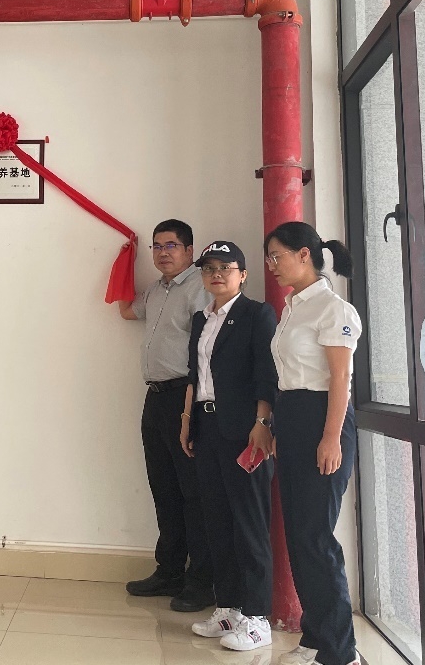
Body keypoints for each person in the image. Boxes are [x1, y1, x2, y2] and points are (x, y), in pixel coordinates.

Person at [264, 221, 363, 665]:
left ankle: (340, 651)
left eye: (278, 256)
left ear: (304, 254)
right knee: (299, 535)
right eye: (269, 258)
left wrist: (330, 438)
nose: (272, 265)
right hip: (292, 418)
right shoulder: (292, 308)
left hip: (323, 419)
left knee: (316, 537)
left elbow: (340, 378)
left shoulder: (333, 309)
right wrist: (276, 426)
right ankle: (316, 637)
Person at [182, 241, 278, 650]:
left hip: (244, 430)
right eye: (209, 268)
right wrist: (186, 420)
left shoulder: (257, 314)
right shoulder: (200, 319)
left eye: (226, 267)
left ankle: (257, 618)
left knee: (249, 523)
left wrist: (262, 423)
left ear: (243, 274)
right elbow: (195, 374)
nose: (216, 274)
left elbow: (267, 373)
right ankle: (229, 609)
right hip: (206, 426)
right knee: (217, 520)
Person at [116, 219, 214, 612]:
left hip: (185, 399)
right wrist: (122, 265)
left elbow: (206, 350)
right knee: (164, 489)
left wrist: (190, 409)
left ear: (189, 250)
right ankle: (169, 571)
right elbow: (127, 311)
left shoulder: (200, 288)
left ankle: (201, 581)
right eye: (157, 246)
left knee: (193, 493)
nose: (163, 253)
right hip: (155, 398)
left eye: (171, 245)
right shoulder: (157, 291)